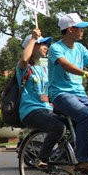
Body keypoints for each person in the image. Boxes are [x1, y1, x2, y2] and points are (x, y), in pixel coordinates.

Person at [47, 13, 88, 175]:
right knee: (85, 115)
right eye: (80, 28)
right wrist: (87, 74)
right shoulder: (55, 48)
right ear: (70, 29)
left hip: (80, 95)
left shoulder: (80, 48)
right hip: (61, 95)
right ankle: (83, 160)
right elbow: (66, 65)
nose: (83, 31)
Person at [17, 29, 67, 167]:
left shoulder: (45, 67)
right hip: (31, 111)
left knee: (75, 120)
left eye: (47, 44)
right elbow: (25, 58)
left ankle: (65, 156)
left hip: (47, 109)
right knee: (58, 127)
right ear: (32, 47)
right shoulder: (24, 67)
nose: (46, 47)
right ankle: (42, 158)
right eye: (42, 44)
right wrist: (33, 38)